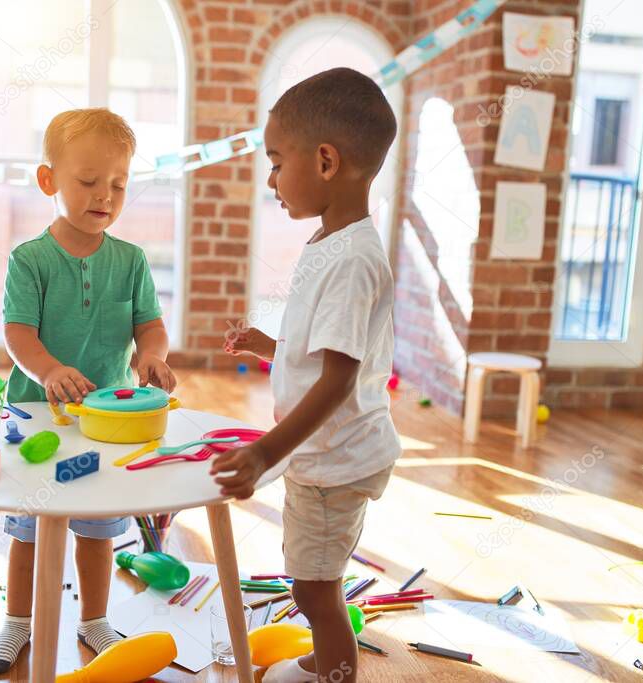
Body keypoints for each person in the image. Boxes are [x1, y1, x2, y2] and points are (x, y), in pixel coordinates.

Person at [215, 68, 400, 683]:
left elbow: (338, 381)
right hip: (327, 454)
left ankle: (333, 673)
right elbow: (326, 352)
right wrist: (274, 346)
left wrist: (263, 454)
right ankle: (325, 661)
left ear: (325, 161)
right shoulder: (331, 241)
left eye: (275, 162)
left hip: (333, 459)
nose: (271, 179)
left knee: (316, 590)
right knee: (313, 579)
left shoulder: (352, 260)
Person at [0, 108, 177, 673]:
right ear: (49, 182)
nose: (105, 196)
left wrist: (153, 356)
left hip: (105, 419)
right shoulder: (30, 259)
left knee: (96, 525)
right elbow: (18, 333)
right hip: (37, 414)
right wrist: (49, 371)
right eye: (88, 182)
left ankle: (95, 621)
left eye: (117, 184)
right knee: (30, 529)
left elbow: (149, 326)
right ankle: (17, 623)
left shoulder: (132, 260)